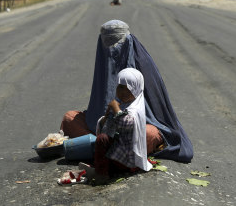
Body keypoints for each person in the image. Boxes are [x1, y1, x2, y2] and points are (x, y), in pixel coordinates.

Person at [61, 20, 193, 163]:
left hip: (136, 126)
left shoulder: (143, 63)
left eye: (117, 43)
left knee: (151, 134)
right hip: (103, 127)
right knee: (70, 118)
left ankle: (97, 149)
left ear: (128, 40)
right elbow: (99, 108)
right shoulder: (103, 61)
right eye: (107, 43)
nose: (112, 49)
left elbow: (157, 110)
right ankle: (108, 150)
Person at [82, 68, 152, 182]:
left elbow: (126, 123)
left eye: (127, 88)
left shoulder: (136, 109)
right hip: (120, 155)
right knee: (103, 143)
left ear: (136, 88)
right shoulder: (123, 105)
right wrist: (105, 120)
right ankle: (102, 169)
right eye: (120, 87)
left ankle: (101, 174)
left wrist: (116, 109)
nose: (122, 92)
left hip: (128, 160)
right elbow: (109, 127)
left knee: (102, 140)